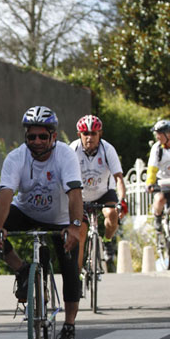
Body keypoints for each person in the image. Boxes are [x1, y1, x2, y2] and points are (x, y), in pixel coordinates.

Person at [0, 105, 83, 339]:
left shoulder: (65, 155)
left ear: (53, 136)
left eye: (42, 137)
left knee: (70, 266)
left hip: (60, 218)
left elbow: (75, 193)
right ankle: (22, 269)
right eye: (31, 136)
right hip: (25, 212)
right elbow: (5, 194)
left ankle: (69, 326)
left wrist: (75, 227)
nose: (36, 141)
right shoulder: (16, 157)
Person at [69, 114, 127, 267]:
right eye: (85, 134)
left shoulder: (107, 149)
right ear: (79, 135)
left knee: (112, 213)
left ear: (99, 134)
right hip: (81, 196)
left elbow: (119, 178)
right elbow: (64, 178)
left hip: (104, 192)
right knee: (80, 232)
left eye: (93, 133)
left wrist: (122, 200)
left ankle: (108, 241)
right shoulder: (73, 149)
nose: (89, 137)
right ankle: (78, 275)